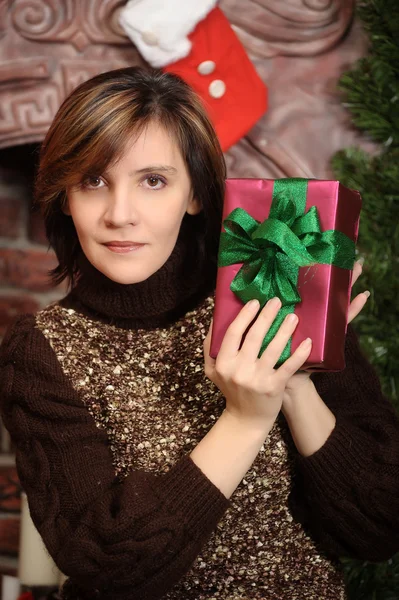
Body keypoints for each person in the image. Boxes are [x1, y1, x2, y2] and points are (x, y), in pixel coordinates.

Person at [0, 67, 398, 600]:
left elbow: (378, 530)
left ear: (195, 194)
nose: (120, 215)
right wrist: (246, 417)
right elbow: (110, 570)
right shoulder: (40, 351)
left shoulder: (276, 285)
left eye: (153, 180)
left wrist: (296, 381)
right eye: (93, 181)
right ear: (65, 196)